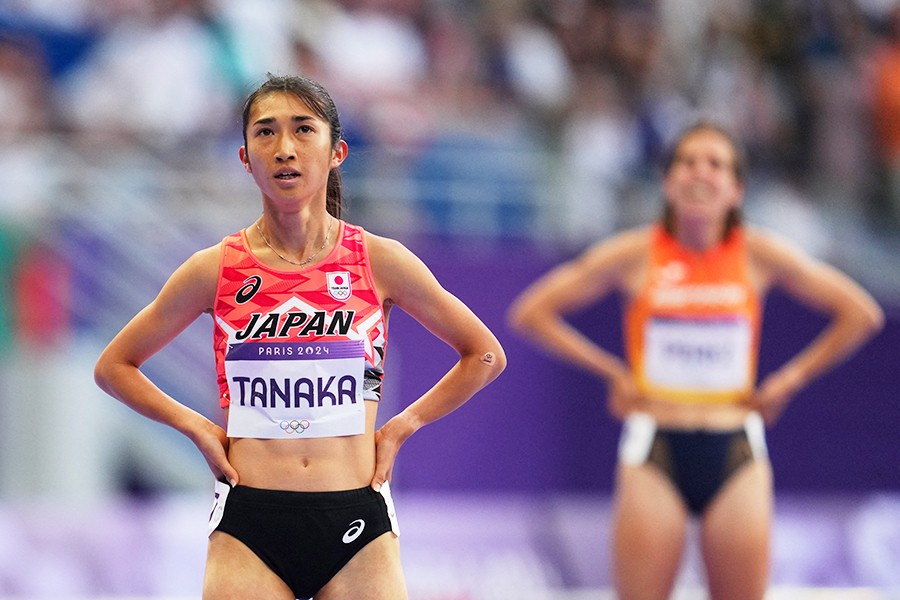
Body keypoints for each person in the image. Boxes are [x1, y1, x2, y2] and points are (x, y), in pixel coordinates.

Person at [94, 73, 506, 600]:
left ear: (337, 150)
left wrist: (405, 425)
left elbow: (485, 354)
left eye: (303, 130)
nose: (284, 148)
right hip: (251, 526)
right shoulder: (214, 268)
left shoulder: (379, 260)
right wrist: (195, 426)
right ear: (245, 157)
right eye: (265, 133)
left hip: (357, 522)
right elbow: (114, 366)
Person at [507, 122, 884, 600]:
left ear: (736, 188)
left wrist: (790, 378)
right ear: (667, 182)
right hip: (654, 447)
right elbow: (531, 313)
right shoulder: (636, 253)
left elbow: (861, 314)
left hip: (736, 449)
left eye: (717, 164)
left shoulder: (757, 253)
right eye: (687, 161)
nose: (700, 172)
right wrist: (612, 372)